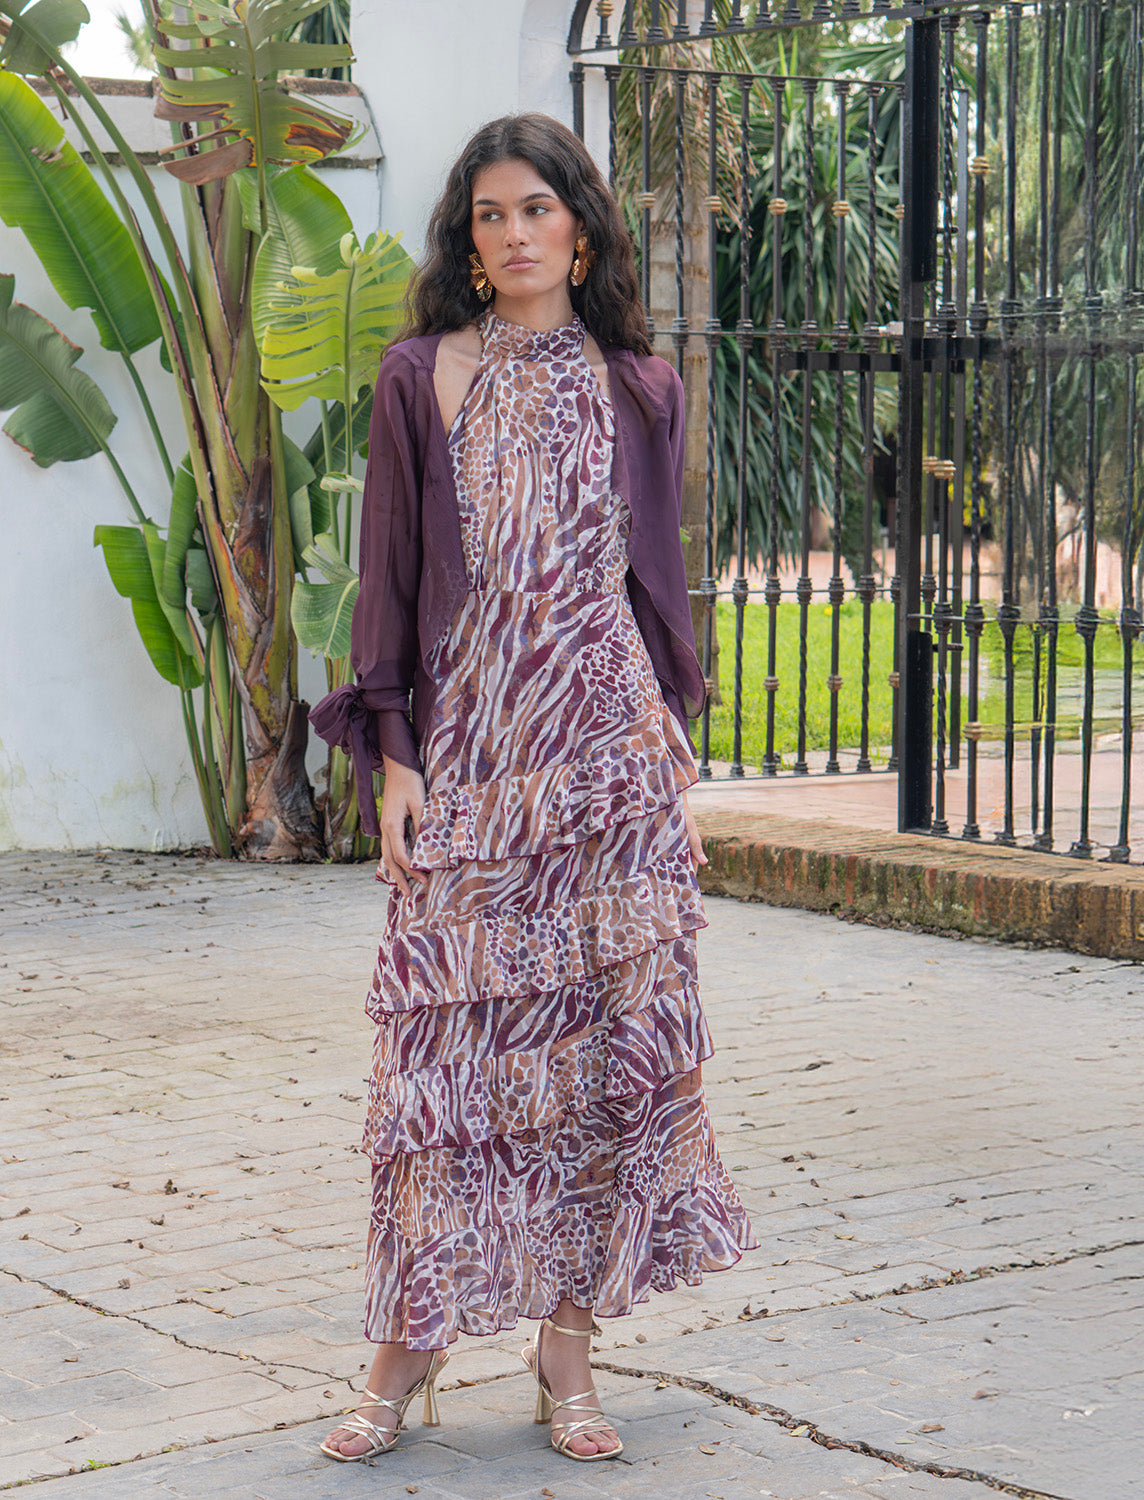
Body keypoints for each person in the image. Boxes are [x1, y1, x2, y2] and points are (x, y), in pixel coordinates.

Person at [310, 111, 756, 1466]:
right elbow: (389, 573)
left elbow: (650, 581)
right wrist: (393, 755)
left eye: (537, 210)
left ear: (581, 229)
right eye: (490, 215)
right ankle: (408, 1349)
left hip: (608, 761)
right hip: (476, 754)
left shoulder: (641, 386)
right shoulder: (420, 376)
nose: (513, 235)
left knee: (603, 1058)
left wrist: (666, 736)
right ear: (468, 238)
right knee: (446, 1058)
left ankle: (568, 1350)